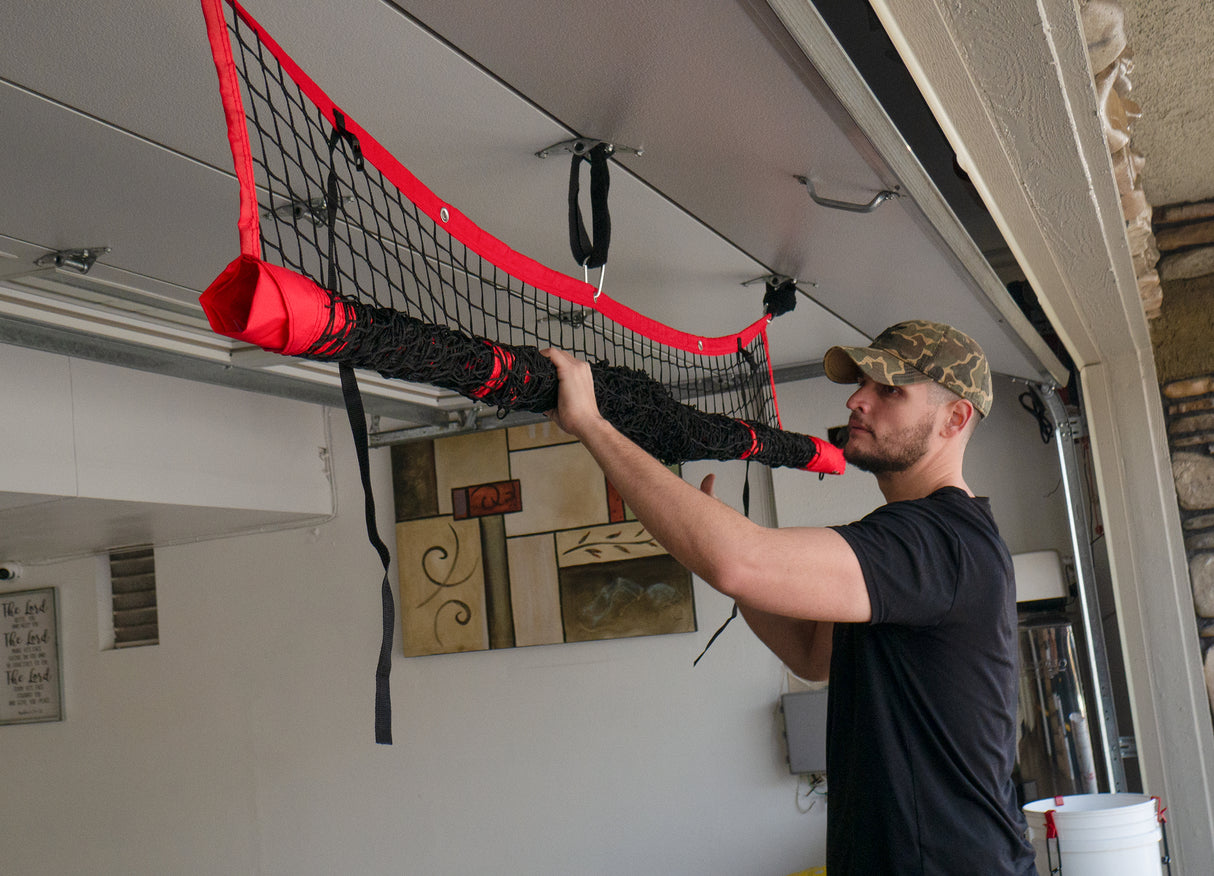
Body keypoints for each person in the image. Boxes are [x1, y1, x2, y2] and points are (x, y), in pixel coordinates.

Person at [541, 320, 1037, 875]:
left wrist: (592, 424)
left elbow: (740, 560)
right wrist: (720, 560)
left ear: (955, 417)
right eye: (862, 384)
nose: (857, 399)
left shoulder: (940, 539)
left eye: (889, 389)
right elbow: (811, 652)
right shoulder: (919, 538)